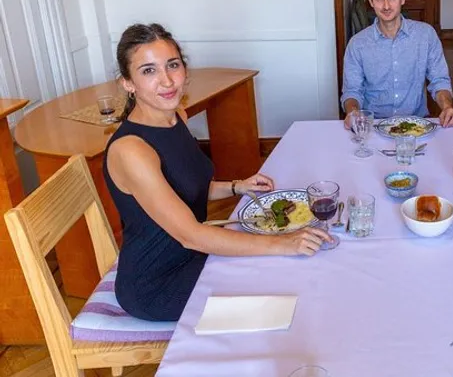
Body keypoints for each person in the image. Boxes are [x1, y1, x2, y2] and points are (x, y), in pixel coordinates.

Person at [104, 23, 331, 321]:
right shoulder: (131, 150)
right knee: (280, 285)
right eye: (149, 71)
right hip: (158, 282)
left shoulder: (176, 116)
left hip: (197, 254)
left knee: (291, 268)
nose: (167, 80)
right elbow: (191, 235)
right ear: (128, 83)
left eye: (173, 65)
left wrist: (236, 186)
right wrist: (284, 243)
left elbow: (185, 186)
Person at [341, 0, 453, 128]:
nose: (386, 6)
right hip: (373, 126)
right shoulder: (357, 44)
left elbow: (439, 80)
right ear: (370, 1)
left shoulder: (426, 35)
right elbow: (352, 91)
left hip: (416, 126)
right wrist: (353, 112)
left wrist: (447, 107)